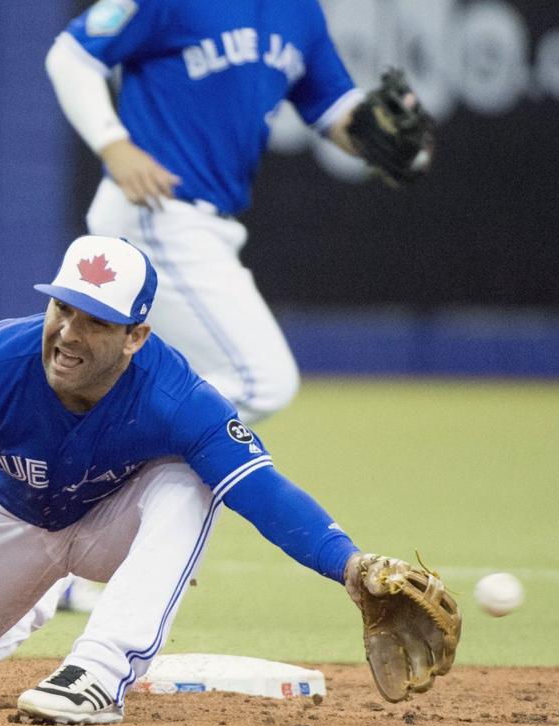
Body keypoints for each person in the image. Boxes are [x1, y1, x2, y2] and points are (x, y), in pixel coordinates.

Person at [0, 235, 455, 724]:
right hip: (1, 514)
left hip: (114, 522)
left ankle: (100, 668)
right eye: (63, 308)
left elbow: (258, 487)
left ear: (136, 336)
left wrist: (351, 565)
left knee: (190, 481)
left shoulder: (176, 394)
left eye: (96, 321)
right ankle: (36, 593)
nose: (68, 332)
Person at [45, 0, 434, 610]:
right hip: (157, 213)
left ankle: (78, 533)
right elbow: (70, 54)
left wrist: (393, 141)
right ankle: (96, 515)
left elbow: (335, 110)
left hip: (203, 228)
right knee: (259, 380)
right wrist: (113, 143)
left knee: (159, 385)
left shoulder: (298, 13)